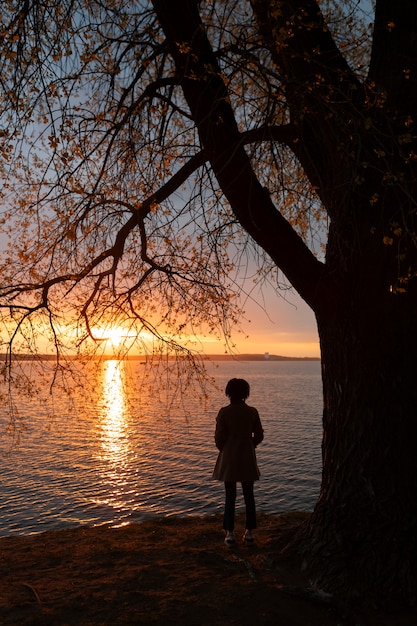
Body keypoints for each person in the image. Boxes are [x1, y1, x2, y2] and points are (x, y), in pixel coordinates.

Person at [212, 378, 264, 546]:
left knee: (230, 496)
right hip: (247, 458)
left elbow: (219, 438)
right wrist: (250, 445)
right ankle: (249, 533)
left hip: (229, 460)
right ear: (245, 394)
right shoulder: (252, 412)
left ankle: (230, 533)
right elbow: (259, 435)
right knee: (249, 495)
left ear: (229, 393)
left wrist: (226, 449)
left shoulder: (224, 412)